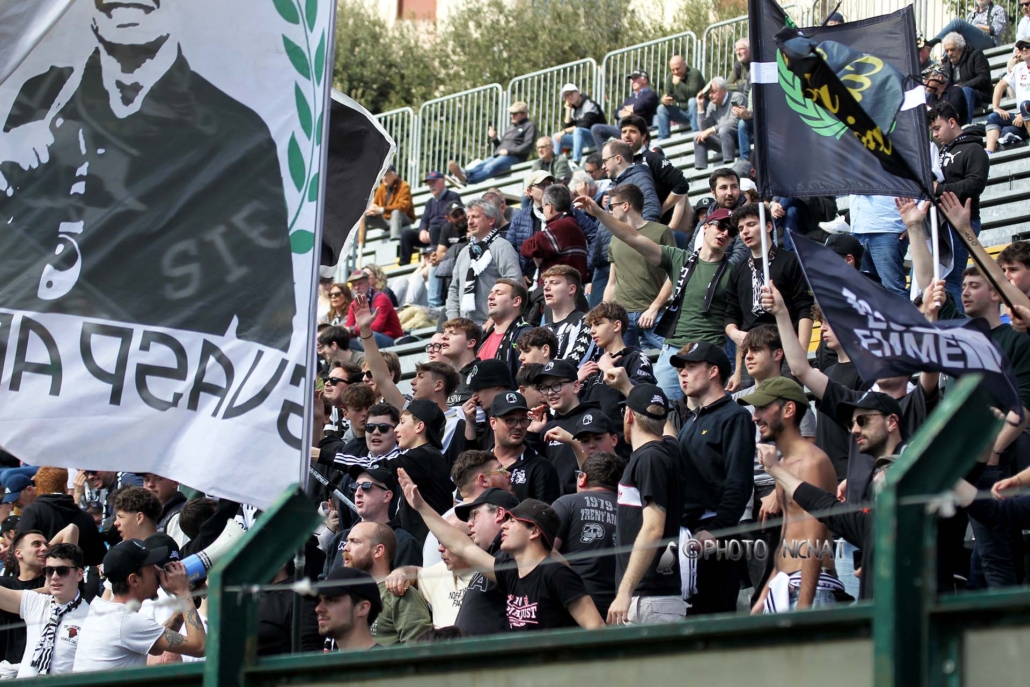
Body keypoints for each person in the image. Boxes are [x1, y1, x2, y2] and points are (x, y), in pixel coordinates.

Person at [0, 0, 296, 351]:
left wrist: (249, 378)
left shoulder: (236, 132)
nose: (127, 10)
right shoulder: (45, 95)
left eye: (143, 5)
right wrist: (6, 157)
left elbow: (267, 298)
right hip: (29, 353)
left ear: (175, 14)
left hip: (155, 364)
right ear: (92, 19)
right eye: (112, 6)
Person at [397, 471, 605, 631]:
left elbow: (596, 628)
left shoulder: (556, 573)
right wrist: (421, 507)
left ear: (534, 531)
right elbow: (462, 546)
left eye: (512, 521)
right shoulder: (511, 572)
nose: (504, 525)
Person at [578, 190, 735, 401]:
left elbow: (738, 319)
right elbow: (632, 237)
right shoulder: (680, 259)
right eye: (721, 226)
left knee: (708, 411)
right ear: (705, 227)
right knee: (660, 408)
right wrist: (599, 212)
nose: (725, 233)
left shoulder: (734, 272)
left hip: (710, 350)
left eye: (731, 231)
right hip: (675, 348)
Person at [742, 379, 844, 613]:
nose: (755, 417)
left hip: (810, 590)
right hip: (785, 586)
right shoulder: (784, 465)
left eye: (762, 408)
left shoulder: (811, 462)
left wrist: (803, 610)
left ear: (788, 409)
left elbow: (815, 542)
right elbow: (787, 540)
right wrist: (764, 597)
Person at [670, 342, 755, 614]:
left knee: (713, 621)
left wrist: (717, 530)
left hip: (714, 535)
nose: (682, 374)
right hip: (688, 534)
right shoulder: (692, 421)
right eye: (680, 369)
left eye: (691, 367)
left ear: (713, 371)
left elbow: (739, 482)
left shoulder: (735, 416)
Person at [731, 326, 817, 594]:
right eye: (746, 351)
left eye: (756, 350)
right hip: (742, 497)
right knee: (752, 585)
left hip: (777, 493)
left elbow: (806, 452)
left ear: (778, 354)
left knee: (777, 581)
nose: (748, 357)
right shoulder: (735, 401)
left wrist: (777, 492)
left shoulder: (792, 398)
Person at [609, 385, 685, 625]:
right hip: (653, 600)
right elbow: (669, 431)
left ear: (629, 416)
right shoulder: (668, 449)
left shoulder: (650, 458)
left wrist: (624, 591)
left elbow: (653, 528)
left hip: (648, 600)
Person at [73, 540, 206, 670]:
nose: (159, 572)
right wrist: (183, 593)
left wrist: (186, 600)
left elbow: (156, 648)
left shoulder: (104, 611)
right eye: (152, 568)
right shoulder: (125, 621)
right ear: (134, 580)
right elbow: (200, 646)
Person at [724, 203, 814, 388]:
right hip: (751, 352)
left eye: (751, 224)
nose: (745, 231)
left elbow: (805, 308)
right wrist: (733, 334)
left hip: (785, 347)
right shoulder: (737, 271)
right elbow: (733, 316)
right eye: (741, 228)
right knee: (753, 405)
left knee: (785, 401)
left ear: (768, 226)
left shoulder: (790, 261)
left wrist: (801, 355)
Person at [599, 183, 673, 349]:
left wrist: (654, 308)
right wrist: (604, 313)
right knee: (621, 362)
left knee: (676, 353)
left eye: (612, 206)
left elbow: (675, 275)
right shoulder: (614, 238)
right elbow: (612, 282)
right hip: (621, 316)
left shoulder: (661, 232)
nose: (610, 211)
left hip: (652, 314)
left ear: (625, 206)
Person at [932, 102, 990, 309]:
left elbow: (975, 184)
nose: (935, 134)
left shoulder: (974, 149)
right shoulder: (939, 152)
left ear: (952, 122)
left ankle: (959, 325)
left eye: (937, 128)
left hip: (963, 221)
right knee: (940, 282)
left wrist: (939, 188)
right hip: (939, 222)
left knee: (952, 280)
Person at [551, 452, 622, 617]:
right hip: (616, 607)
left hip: (572, 604)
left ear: (582, 478)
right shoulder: (628, 511)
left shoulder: (567, 502)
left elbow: (543, 550)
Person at [0, 543, 87, 677]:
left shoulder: (90, 616)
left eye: (62, 570)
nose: (54, 576)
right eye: (49, 571)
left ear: (79, 575)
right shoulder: (35, 602)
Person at [342, 521, 432, 645]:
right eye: (347, 541)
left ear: (378, 551)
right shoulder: (347, 595)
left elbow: (419, 649)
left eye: (355, 541)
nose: (345, 547)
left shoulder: (400, 594)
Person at [323, 466, 422, 576]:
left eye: (366, 486)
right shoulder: (339, 539)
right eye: (354, 487)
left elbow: (407, 583)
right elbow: (324, 581)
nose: (358, 493)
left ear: (387, 496)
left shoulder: (404, 542)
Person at [579, 301, 658, 432]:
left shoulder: (636, 357)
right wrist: (575, 383)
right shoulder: (591, 364)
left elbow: (646, 398)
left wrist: (609, 369)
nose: (592, 331)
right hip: (590, 436)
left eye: (598, 324)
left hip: (623, 436)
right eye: (591, 326)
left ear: (616, 325)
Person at [528, 360, 603, 495]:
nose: (550, 393)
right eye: (544, 388)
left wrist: (572, 440)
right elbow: (535, 469)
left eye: (556, 385)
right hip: (554, 502)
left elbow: (601, 467)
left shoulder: (593, 418)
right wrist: (533, 433)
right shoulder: (547, 425)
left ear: (576, 386)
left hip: (585, 499)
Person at [446, 199, 522, 325]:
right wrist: (453, 321)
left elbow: (515, 283)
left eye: (475, 217)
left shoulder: (502, 247)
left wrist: (494, 318)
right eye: (468, 217)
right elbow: (454, 289)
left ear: (491, 220)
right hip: (466, 328)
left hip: (495, 326)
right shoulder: (464, 252)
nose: (470, 222)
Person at [16, 468, 106, 566]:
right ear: (65, 486)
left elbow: (22, 549)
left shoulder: (32, 512)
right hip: (75, 574)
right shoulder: (85, 517)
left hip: (41, 574)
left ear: (38, 488)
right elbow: (97, 557)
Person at [620, 116, 692, 230]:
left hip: (662, 229)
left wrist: (660, 210)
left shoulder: (652, 158)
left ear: (643, 136)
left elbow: (681, 184)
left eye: (632, 131)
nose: (627, 135)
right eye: (624, 132)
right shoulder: (621, 165)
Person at [488, 392, 561, 504]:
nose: (518, 426)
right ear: (493, 423)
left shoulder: (542, 468)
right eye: (510, 420)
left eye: (523, 420)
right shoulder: (479, 463)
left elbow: (545, 513)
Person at [448, 102, 537, 185]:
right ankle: (464, 174)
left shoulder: (529, 126)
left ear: (523, 114)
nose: (512, 116)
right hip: (500, 155)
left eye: (514, 114)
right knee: (482, 164)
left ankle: (468, 180)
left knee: (490, 166)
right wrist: (494, 138)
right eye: (511, 114)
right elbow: (500, 148)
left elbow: (528, 145)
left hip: (515, 157)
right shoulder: (510, 128)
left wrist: (509, 151)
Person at [521, 185, 589, 288]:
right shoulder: (573, 223)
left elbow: (527, 248)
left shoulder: (559, 226)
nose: (543, 211)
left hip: (558, 288)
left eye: (543, 207)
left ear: (550, 207)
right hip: (570, 287)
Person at [0, 531, 48, 665]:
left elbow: (71, 529)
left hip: (39, 666)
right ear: (18, 553)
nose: (44, 548)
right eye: (36, 544)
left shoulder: (55, 581)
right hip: (6, 667)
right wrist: (45, 591)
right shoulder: (5, 583)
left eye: (47, 545)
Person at [399, 172, 461, 266]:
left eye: (434, 182)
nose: (431, 185)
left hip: (444, 233)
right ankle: (404, 265)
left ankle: (434, 257)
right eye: (429, 183)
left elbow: (455, 218)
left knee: (434, 229)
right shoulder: (430, 202)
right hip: (431, 235)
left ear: (443, 181)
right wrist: (423, 231)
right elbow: (424, 220)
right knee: (406, 234)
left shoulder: (453, 196)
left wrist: (431, 231)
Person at [315, 566, 382, 651]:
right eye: (319, 601)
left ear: (362, 608)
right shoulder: (327, 661)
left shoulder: (389, 659)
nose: (318, 609)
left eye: (330, 599)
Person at [591, 69, 659, 152]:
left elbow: (639, 107)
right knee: (596, 128)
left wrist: (628, 110)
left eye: (635, 78)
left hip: (639, 128)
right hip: (622, 128)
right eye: (632, 79)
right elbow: (616, 113)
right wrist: (626, 112)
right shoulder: (630, 98)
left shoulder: (651, 94)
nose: (632, 81)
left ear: (644, 80)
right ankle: (604, 156)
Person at [541, 265, 595, 365]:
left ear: (571, 289)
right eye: (545, 283)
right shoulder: (542, 331)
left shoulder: (585, 322)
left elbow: (571, 365)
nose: (545, 287)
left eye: (554, 283)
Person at [479, 279, 532, 378]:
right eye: (491, 293)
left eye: (499, 293)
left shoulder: (526, 335)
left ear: (516, 301)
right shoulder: (482, 337)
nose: (490, 297)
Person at [601, 140, 663, 223]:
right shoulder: (618, 182)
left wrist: (644, 231)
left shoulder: (639, 178)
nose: (603, 167)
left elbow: (651, 209)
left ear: (618, 159)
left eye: (605, 161)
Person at [693, 78, 747, 172]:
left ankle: (728, 163)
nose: (710, 95)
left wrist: (711, 130)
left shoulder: (737, 97)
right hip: (723, 140)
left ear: (724, 90)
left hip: (739, 137)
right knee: (699, 137)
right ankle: (701, 171)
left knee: (724, 130)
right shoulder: (712, 105)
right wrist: (700, 107)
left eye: (713, 92)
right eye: (709, 93)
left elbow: (735, 122)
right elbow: (704, 128)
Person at [941, 31, 993, 126]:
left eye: (952, 49)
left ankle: (964, 126)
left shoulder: (976, 55)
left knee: (965, 91)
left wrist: (962, 86)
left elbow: (983, 78)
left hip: (978, 94)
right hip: (956, 96)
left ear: (961, 48)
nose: (949, 53)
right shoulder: (946, 63)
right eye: (947, 51)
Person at [988, 41, 1030, 155]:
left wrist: (1023, 114)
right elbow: (1000, 86)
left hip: (1026, 112)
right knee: (994, 118)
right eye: (1021, 47)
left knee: (1025, 107)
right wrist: (996, 107)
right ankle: (989, 153)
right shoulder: (1018, 68)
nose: (1024, 49)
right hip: (1021, 117)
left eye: (1028, 46)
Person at [345, 269, 403, 350]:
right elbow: (349, 326)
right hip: (367, 338)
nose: (357, 287)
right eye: (354, 285)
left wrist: (353, 329)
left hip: (390, 338)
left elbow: (377, 327)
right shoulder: (354, 304)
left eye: (360, 283)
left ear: (368, 283)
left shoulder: (381, 298)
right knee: (342, 342)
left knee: (372, 336)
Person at [553, 83, 606, 163]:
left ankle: (576, 161)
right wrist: (568, 110)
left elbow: (585, 124)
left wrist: (564, 131)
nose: (569, 97)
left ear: (578, 92)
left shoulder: (589, 104)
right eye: (566, 96)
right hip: (581, 139)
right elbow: (567, 128)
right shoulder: (573, 109)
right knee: (556, 137)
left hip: (596, 138)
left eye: (571, 93)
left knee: (578, 131)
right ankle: (556, 164)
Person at [657, 54, 706, 139]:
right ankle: (662, 139)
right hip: (684, 113)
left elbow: (693, 93)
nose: (675, 72)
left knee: (692, 101)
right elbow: (666, 94)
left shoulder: (694, 73)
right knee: (661, 108)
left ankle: (696, 133)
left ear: (684, 64)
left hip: (700, 109)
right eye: (673, 70)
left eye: (677, 68)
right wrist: (664, 100)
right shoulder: (670, 77)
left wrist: (679, 83)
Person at [930, 0, 1008, 52]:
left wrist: (977, 27)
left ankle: (933, 42)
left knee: (958, 22)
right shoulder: (971, 15)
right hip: (970, 46)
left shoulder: (997, 9)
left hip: (989, 43)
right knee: (954, 35)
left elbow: (996, 30)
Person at [365, 165, 415, 240]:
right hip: (387, 221)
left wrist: (382, 210)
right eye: (383, 175)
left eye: (387, 174)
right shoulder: (381, 189)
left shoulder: (404, 186)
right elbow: (375, 205)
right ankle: (359, 245)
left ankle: (395, 239)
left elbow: (403, 206)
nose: (384, 178)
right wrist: (371, 210)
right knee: (365, 216)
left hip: (403, 219)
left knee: (396, 212)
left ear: (395, 176)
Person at [141, 474, 187, 546]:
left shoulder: (180, 516)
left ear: (175, 482)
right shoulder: (144, 512)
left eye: (158, 479)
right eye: (146, 479)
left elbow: (179, 551)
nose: (150, 484)